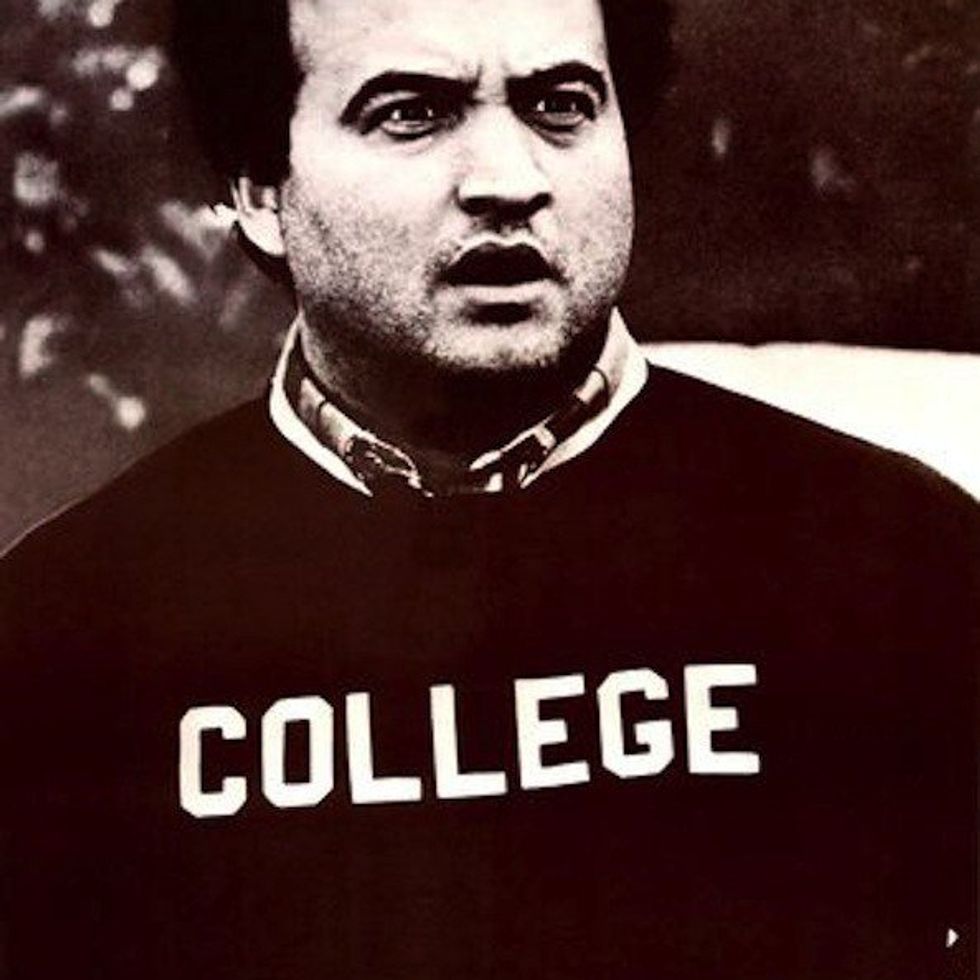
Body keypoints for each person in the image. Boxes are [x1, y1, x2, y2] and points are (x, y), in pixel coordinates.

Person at [1, 1, 975, 978]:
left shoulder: (903, 563)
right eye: (410, 113)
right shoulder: (64, 633)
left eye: (561, 105)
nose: (510, 181)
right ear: (260, 190)